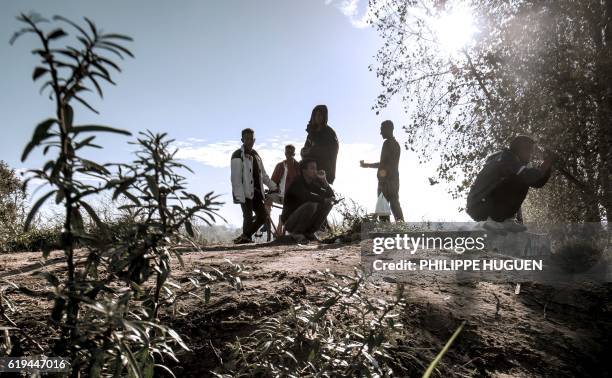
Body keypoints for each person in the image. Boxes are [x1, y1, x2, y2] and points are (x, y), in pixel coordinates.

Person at [466, 135, 555, 232]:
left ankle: (506, 219)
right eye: (528, 150)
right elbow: (529, 176)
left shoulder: (514, 161)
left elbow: (538, 183)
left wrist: (547, 165)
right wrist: (545, 164)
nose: (530, 154)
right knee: (522, 178)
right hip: (480, 205)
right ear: (520, 149)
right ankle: (492, 220)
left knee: (524, 178)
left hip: (483, 205)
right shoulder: (506, 158)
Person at [231, 128, 277, 244]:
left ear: (254, 139)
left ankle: (245, 236)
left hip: (257, 192)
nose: (249, 141)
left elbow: (264, 175)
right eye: (247, 139)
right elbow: (235, 178)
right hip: (244, 192)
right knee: (247, 216)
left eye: (251, 139)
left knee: (263, 216)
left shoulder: (256, 155)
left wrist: (273, 186)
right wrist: (239, 195)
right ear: (242, 140)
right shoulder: (237, 155)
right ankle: (246, 240)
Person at [281, 158, 335, 242]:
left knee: (329, 204)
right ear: (304, 171)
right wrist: (324, 200)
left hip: (302, 221)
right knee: (312, 205)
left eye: (316, 168)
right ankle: (296, 233)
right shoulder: (297, 182)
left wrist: (324, 180)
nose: (315, 171)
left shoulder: (312, 184)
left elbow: (331, 195)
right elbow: (306, 196)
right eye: (312, 168)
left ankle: (309, 233)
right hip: (290, 222)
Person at [360, 120, 405, 222]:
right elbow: (385, 163)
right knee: (395, 206)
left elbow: (383, 164)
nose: (380, 133)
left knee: (383, 212)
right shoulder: (396, 145)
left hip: (385, 182)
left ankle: (386, 234)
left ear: (389, 129)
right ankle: (402, 230)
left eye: (382, 130)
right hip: (394, 181)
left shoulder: (387, 144)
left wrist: (366, 165)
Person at [300, 105, 339, 184]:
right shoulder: (311, 133)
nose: (318, 117)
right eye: (316, 115)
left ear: (324, 116)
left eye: (320, 115)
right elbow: (305, 148)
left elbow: (332, 151)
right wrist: (303, 152)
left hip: (324, 172)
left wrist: (312, 151)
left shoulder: (330, 133)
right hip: (310, 172)